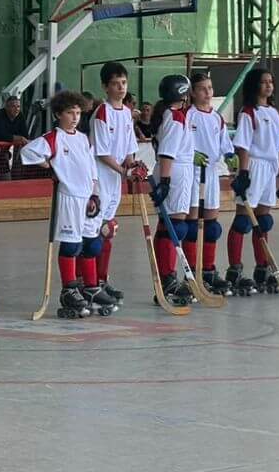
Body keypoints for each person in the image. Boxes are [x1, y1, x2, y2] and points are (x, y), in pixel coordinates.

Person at [21, 90, 111, 317]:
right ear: (58, 114)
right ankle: (69, 290)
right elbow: (27, 151)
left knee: (92, 244)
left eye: (78, 113)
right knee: (71, 245)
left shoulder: (83, 139)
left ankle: (90, 287)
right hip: (69, 197)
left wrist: (95, 194)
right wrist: (49, 165)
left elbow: (91, 168)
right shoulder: (53, 138)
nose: (75, 117)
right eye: (70, 113)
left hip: (88, 197)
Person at [226, 68, 279, 296]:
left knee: (263, 221)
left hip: (270, 168)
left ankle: (262, 267)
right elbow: (243, 145)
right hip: (254, 166)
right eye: (263, 82)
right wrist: (243, 173)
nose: (269, 85)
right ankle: (235, 269)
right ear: (254, 85)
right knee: (243, 220)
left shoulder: (275, 113)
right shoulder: (248, 113)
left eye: (271, 81)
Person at [90, 62, 140, 306]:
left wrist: (131, 164)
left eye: (124, 83)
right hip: (100, 177)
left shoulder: (127, 113)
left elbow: (129, 148)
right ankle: (88, 283)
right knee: (95, 231)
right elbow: (101, 152)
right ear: (105, 87)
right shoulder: (102, 112)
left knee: (109, 230)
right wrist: (123, 171)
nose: (121, 88)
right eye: (115, 84)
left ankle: (101, 279)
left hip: (115, 178)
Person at [182, 71, 232, 294]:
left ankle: (209, 270)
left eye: (210, 88)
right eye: (202, 89)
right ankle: (192, 273)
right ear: (192, 92)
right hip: (193, 174)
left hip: (210, 174)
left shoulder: (216, 118)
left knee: (211, 227)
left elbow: (225, 144)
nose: (208, 92)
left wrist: (230, 156)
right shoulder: (188, 115)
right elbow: (179, 142)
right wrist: (190, 154)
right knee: (193, 227)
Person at [149, 74, 195, 306]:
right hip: (175, 172)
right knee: (174, 226)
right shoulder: (175, 116)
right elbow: (168, 151)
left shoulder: (167, 113)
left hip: (173, 170)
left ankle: (165, 278)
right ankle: (168, 279)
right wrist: (165, 182)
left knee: (168, 226)